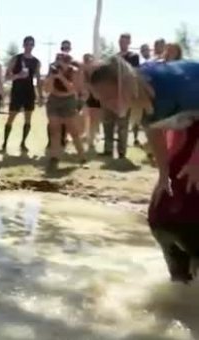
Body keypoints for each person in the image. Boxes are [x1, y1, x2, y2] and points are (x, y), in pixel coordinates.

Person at [88, 57, 199, 283]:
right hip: (188, 120)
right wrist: (163, 175)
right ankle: (181, 283)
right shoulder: (139, 95)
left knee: (191, 189)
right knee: (164, 210)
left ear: (125, 84)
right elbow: (154, 130)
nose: (107, 104)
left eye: (109, 96)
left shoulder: (170, 86)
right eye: (101, 99)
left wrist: (197, 161)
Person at [101, 33, 140, 158]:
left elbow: (133, 73)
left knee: (122, 125)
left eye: (125, 41)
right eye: (120, 41)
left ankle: (122, 152)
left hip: (124, 95)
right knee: (108, 123)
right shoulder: (113, 57)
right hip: (110, 95)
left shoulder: (133, 56)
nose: (122, 43)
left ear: (129, 42)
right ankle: (108, 149)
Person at [44, 53, 85, 167]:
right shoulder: (53, 71)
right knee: (54, 130)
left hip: (68, 101)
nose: (59, 65)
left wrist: (61, 77)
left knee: (73, 131)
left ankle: (81, 156)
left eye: (62, 62)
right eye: (58, 62)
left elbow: (73, 89)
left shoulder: (75, 71)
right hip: (54, 100)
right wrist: (52, 77)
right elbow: (47, 90)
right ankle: (54, 156)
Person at [2, 36, 43, 154]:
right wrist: (18, 75)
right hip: (17, 90)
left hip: (29, 91)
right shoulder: (16, 59)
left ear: (33, 46)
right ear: (23, 45)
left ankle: (23, 143)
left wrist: (40, 96)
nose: (29, 47)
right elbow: (7, 76)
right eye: (27, 44)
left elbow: (38, 79)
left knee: (28, 118)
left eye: (31, 44)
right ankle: (4, 143)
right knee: (11, 117)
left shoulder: (36, 62)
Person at [79, 53, 101, 152]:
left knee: (95, 120)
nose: (88, 62)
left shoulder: (98, 73)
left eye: (90, 60)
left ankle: (91, 139)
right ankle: (88, 138)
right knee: (86, 118)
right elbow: (82, 85)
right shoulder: (82, 72)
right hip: (87, 97)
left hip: (96, 97)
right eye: (86, 60)